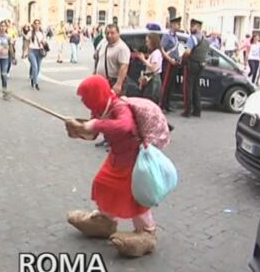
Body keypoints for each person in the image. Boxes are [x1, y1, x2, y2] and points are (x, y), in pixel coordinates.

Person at [64, 75, 157, 257]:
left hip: (132, 159)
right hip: (116, 157)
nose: (84, 102)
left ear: (95, 94)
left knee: (134, 197)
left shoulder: (118, 106)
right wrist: (79, 131)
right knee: (103, 184)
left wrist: (93, 125)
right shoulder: (100, 109)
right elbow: (95, 134)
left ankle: (147, 231)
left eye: (86, 97)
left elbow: (124, 126)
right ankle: (105, 220)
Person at [181, 19, 210, 118]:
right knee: (196, 88)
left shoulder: (192, 38)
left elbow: (187, 52)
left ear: (197, 27)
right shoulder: (206, 40)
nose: (190, 28)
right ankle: (197, 110)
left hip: (192, 64)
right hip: (201, 65)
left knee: (188, 87)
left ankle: (187, 111)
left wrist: (183, 60)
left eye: (192, 26)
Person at [160, 16, 182, 113]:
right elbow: (162, 49)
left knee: (171, 85)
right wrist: (169, 59)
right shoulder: (167, 36)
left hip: (175, 63)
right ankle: (162, 105)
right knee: (165, 85)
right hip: (168, 64)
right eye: (177, 24)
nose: (179, 26)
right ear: (172, 25)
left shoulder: (175, 36)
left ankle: (168, 105)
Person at [136, 33, 163, 104]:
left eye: (147, 41)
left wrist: (143, 59)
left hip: (153, 79)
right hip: (151, 79)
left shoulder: (156, 53)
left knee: (150, 100)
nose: (146, 44)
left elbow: (153, 68)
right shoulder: (154, 53)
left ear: (152, 42)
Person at [24, 19, 47, 90]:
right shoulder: (30, 33)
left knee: (38, 68)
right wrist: (25, 51)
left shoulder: (42, 33)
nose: (37, 25)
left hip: (40, 51)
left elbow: (45, 43)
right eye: (35, 24)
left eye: (38, 24)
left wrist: (43, 44)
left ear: (40, 25)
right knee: (35, 66)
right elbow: (27, 42)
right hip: (32, 51)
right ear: (33, 25)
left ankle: (33, 77)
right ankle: (36, 83)